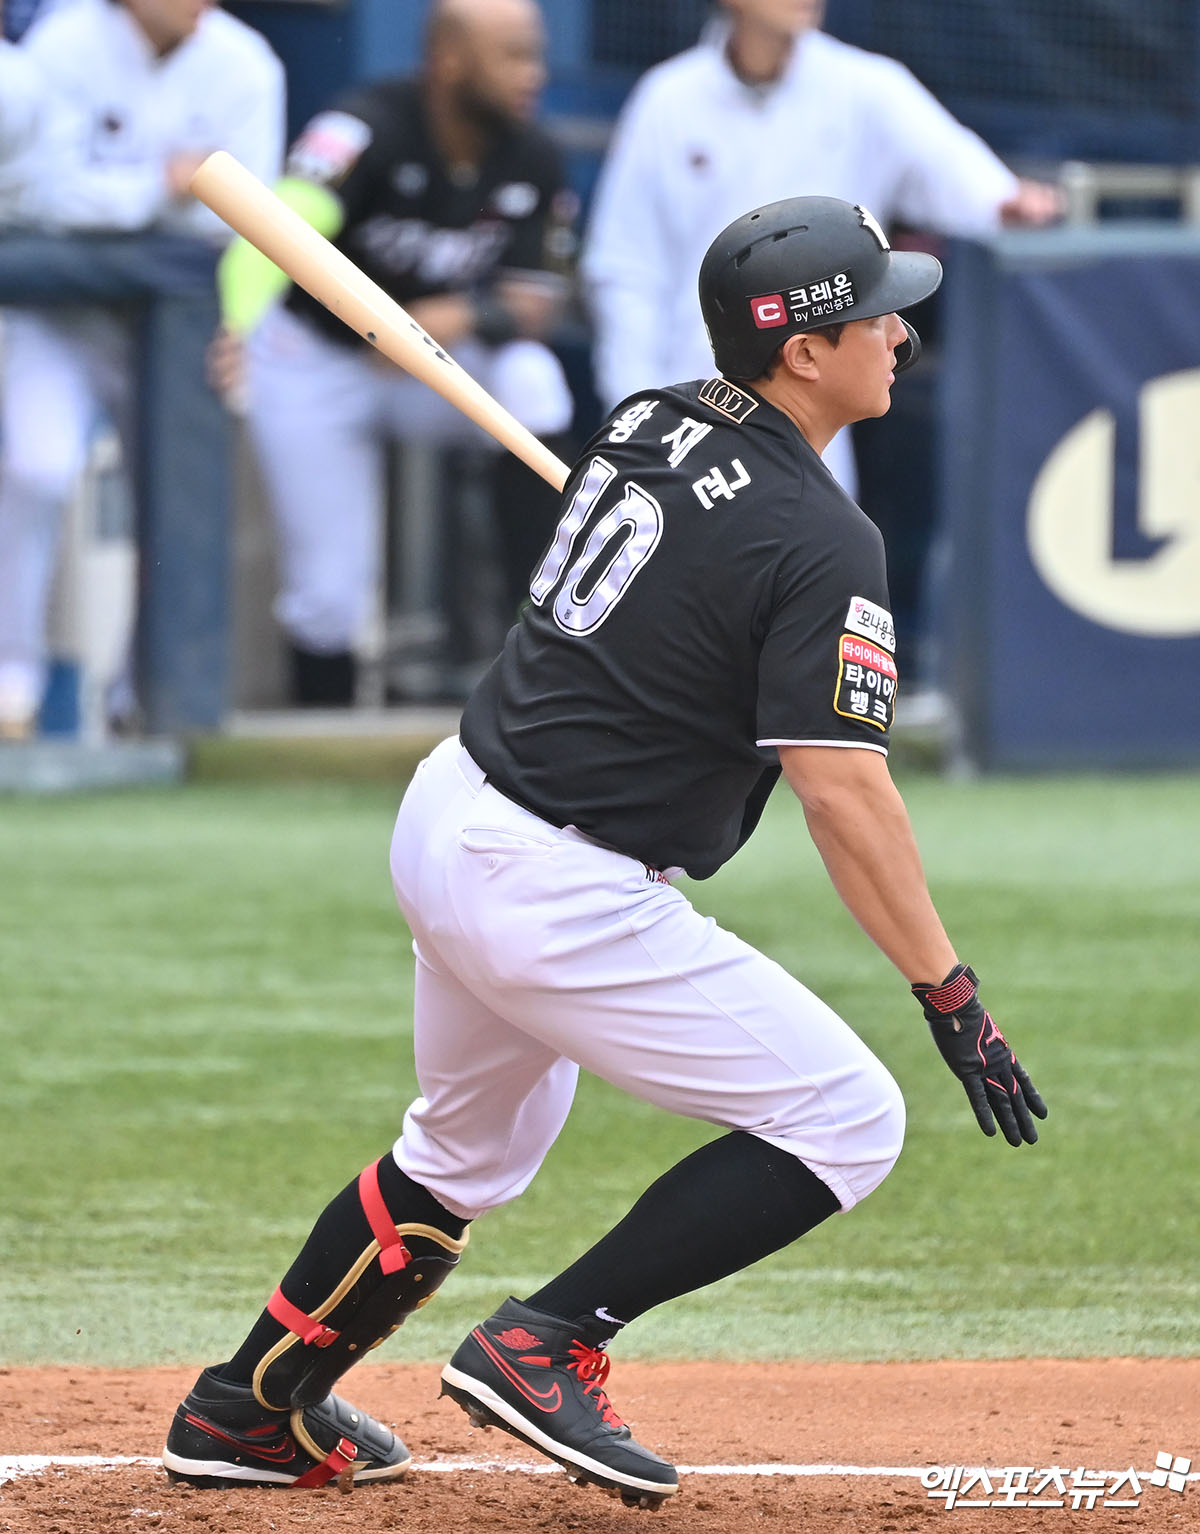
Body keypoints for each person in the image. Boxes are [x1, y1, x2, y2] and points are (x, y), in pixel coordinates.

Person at [161, 195, 1046, 1506]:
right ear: (804, 351)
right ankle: (549, 1338)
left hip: (452, 816)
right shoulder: (823, 538)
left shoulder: (650, 416)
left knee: (463, 1152)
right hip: (555, 888)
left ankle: (245, 1405)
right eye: (874, 312)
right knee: (849, 1117)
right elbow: (844, 792)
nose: (902, 333)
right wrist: (947, 990)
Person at [231, 0, 576, 708]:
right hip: (320, 359)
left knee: (532, 378)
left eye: (535, 55)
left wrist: (459, 312)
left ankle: (548, 635)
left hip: (430, 361)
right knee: (328, 595)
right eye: (512, 55)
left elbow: (537, 303)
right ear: (448, 60)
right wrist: (237, 325)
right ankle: (320, 740)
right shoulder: (364, 127)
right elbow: (277, 233)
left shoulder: (531, 153)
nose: (532, 74)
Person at [582, 0, 1061, 494]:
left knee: (823, 559)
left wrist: (1004, 204)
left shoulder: (869, 87)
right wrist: (636, 412)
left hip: (814, 428)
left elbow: (966, 180)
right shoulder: (666, 99)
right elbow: (625, 269)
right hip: (687, 418)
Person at [0, 0, 284, 740]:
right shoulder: (61, 48)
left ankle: (143, 702)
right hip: (57, 317)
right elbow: (34, 198)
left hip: (181, 326)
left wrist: (242, 322)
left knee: (173, 504)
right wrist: (159, 190)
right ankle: (11, 683)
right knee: (37, 467)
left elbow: (243, 220)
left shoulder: (247, 64)